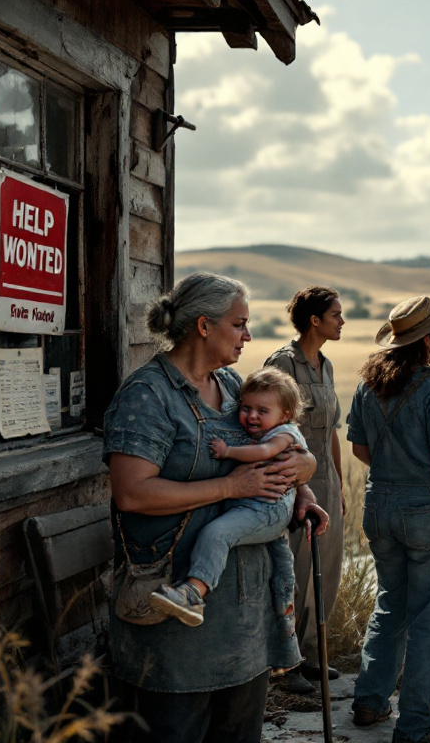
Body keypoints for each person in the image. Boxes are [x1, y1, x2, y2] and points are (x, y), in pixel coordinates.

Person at [103, 272, 328, 743]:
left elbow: (272, 441)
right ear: (204, 326)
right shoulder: (149, 396)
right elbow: (132, 493)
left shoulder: (230, 386)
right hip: (174, 614)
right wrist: (231, 487)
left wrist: (300, 482)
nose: (248, 337)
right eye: (239, 325)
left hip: (242, 615)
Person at [346, 296, 430, 743]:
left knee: (390, 604)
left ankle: (368, 702)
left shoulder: (368, 384)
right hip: (427, 512)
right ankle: (417, 727)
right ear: (426, 340)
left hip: (378, 506)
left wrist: (394, 476)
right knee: (429, 618)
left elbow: (360, 450)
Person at [148, 367, 307, 631]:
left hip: (266, 510)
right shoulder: (267, 425)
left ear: (286, 414)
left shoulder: (285, 434)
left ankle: (194, 594)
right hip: (259, 507)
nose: (251, 416)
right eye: (245, 408)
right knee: (281, 567)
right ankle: (284, 629)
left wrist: (228, 451)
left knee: (217, 534)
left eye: (262, 411)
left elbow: (266, 451)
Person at [265, 286, 346, 693]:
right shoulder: (284, 362)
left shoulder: (326, 366)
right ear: (314, 320)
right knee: (293, 572)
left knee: (325, 572)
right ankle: (284, 665)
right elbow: (266, 422)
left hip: (327, 483)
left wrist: (341, 486)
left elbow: (332, 430)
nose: (342, 321)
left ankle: (312, 655)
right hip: (293, 485)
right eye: (336, 315)